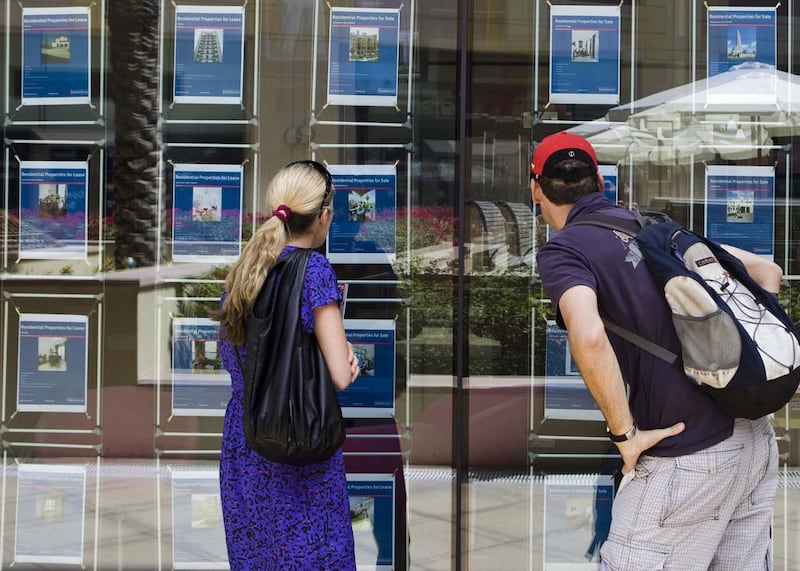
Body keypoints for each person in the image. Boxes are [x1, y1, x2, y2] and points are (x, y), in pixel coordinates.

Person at [532, 132, 780, 570]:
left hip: (687, 452)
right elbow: (765, 271)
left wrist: (625, 437)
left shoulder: (565, 250)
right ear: (600, 184)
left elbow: (588, 336)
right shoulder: (655, 227)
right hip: (753, 438)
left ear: (535, 188)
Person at [214, 160, 359, 570]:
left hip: (245, 438)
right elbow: (340, 374)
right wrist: (349, 359)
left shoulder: (245, 270)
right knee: (313, 554)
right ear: (324, 216)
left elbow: (232, 354)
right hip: (296, 438)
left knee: (258, 556)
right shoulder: (314, 270)